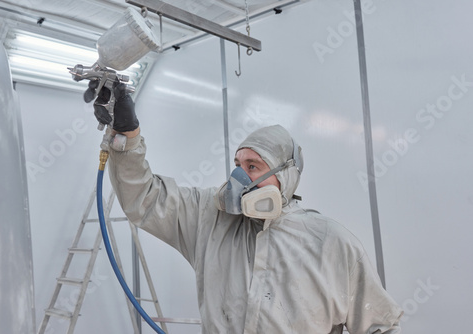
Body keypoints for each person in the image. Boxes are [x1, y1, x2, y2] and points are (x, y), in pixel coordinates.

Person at [90, 84, 403, 333]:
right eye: (237, 164)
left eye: (253, 166)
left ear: (285, 175)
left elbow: (380, 325)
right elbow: (145, 198)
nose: (239, 177)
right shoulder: (209, 218)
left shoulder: (331, 242)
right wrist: (125, 135)